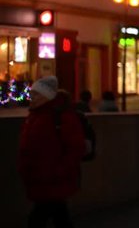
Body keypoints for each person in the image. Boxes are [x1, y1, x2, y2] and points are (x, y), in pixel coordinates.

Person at [18, 76, 85, 228]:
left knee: (38, 219)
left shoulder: (61, 116)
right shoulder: (35, 115)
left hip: (52, 178)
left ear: (47, 97)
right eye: (32, 93)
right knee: (60, 216)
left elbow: (75, 147)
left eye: (36, 94)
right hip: (42, 177)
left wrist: (58, 171)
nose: (31, 97)